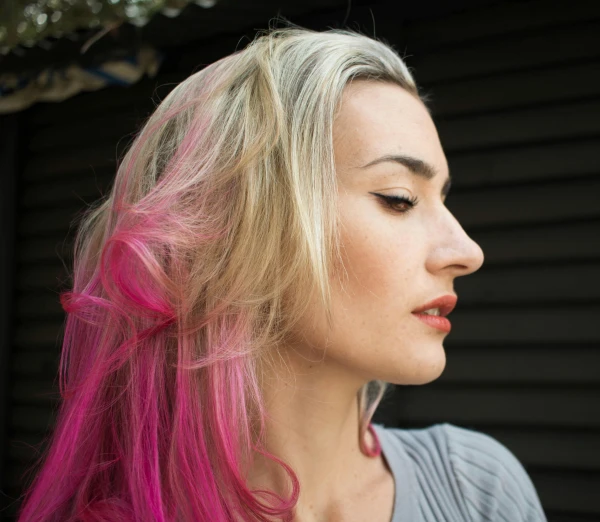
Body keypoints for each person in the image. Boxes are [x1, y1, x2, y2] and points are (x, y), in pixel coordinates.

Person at [16, 22, 547, 522]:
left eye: (443, 198)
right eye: (399, 198)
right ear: (239, 229)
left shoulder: (478, 490)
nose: (467, 251)